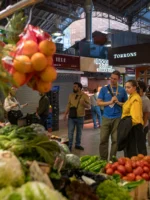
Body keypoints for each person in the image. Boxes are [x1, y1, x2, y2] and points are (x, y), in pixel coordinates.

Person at [97, 70, 128, 160]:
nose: (112, 80)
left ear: (118, 79)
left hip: (118, 118)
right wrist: (110, 102)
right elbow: (99, 103)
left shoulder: (122, 90)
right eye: (111, 78)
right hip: (106, 117)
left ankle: (112, 160)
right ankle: (103, 159)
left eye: (114, 79)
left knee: (115, 140)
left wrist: (119, 103)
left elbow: (126, 104)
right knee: (103, 140)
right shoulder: (104, 89)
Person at [122, 80, 147, 157]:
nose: (126, 89)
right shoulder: (131, 97)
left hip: (133, 127)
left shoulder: (135, 98)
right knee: (132, 149)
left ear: (134, 87)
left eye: (128, 87)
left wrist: (127, 129)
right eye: (125, 87)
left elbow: (135, 118)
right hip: (132, 126)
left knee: (134, 151)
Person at [64, 82, 90, 151]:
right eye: (73, 86)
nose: (73, 88)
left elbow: (89, 106)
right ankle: (69, 146)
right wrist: (65, 114)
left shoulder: (84, 96)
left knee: (79, 132)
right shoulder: (71, 95)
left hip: (80, 117)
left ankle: (77, 145)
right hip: (71, 117)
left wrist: (84, 104)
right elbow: (68, 105)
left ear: (79, 88)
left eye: (75, 86)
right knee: (70, 132)